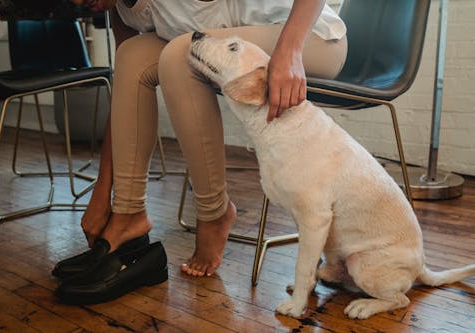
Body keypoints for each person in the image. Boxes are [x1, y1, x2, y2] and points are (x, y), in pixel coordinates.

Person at [68, 0, 347, 277]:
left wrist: (291, 50)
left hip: (305, 35)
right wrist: (103, 193)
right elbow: (125, 102)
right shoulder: (120, 9)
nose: (77, 2)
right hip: (226, 42)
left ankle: (214, 213)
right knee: (131, 56)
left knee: (181, 53)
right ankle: (129, 214)